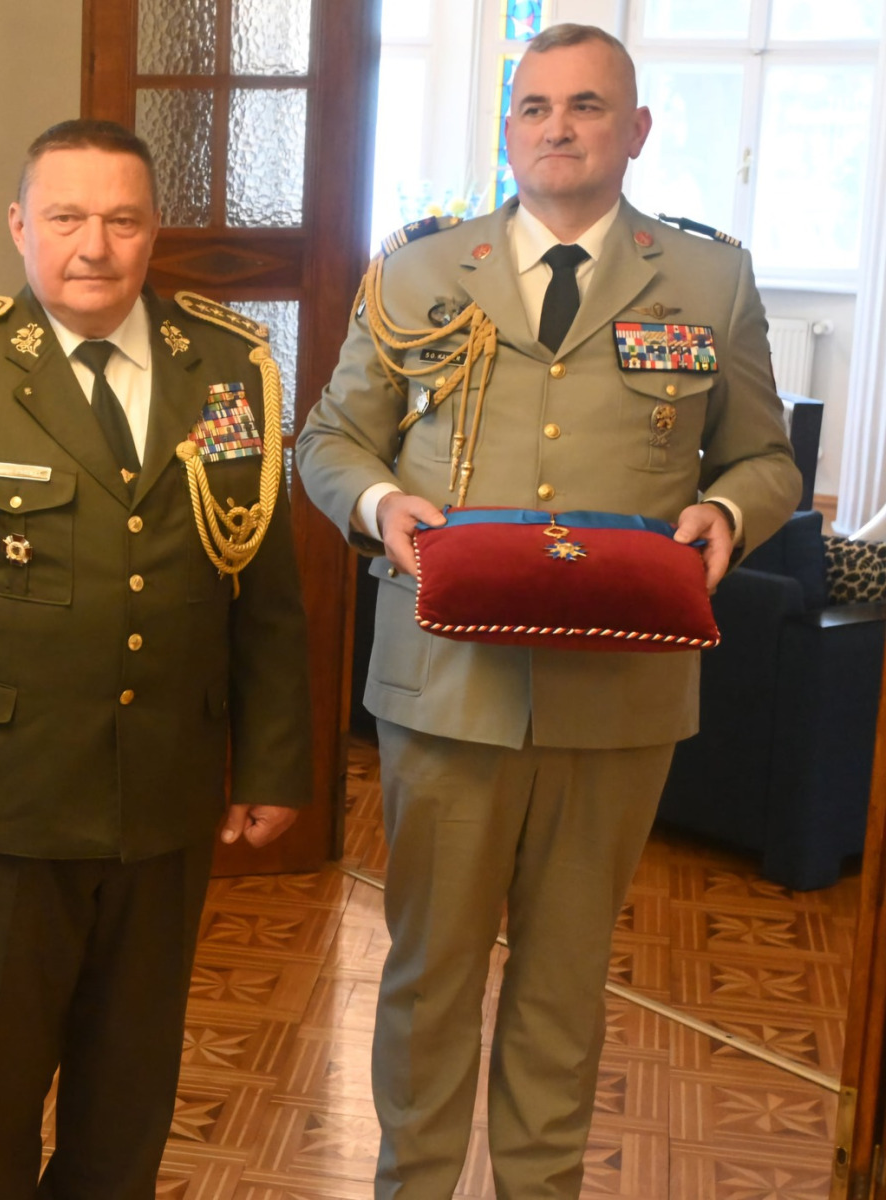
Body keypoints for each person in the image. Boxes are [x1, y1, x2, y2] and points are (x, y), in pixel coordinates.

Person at [295, 24, 800, 1200]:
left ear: (637, 131)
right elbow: (329, 439)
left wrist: (728, 513)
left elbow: (766, 459)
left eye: (586, 106)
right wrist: (380, 505)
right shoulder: (419, 269)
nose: (557, 128)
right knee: (427, 976)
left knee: (567, 982)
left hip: (619, 696)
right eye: (534, 107)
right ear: (508, 128)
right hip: (446, 683)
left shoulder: (711, 280)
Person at [0, 119, 313, 1198]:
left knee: (132, 1082)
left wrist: (274, 762)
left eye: (122, 220)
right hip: (10, 793)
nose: (94, 247)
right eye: (66, 217)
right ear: (20, 226)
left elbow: (266, 587)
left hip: (167, 785)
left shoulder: (229, 365)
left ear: (154, 233)